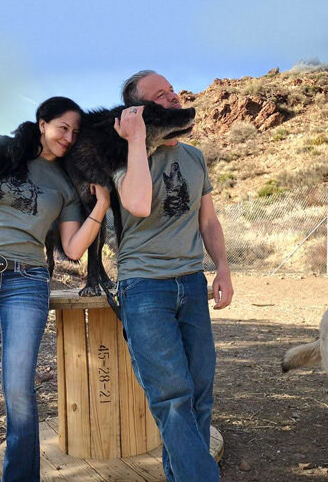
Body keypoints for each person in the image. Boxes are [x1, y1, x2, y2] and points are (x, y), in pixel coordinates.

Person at [0, 96, 113, 482]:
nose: (69, 137)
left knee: (19, 394)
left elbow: (73, 249)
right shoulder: (0, 148)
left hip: (25, 281)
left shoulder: (64, 182)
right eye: (63, 127)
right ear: (42, 123)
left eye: (75, 133)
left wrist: (101, 206)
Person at [113, 71, 234, 482]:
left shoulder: (195, 157)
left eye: (173, 91)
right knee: (172, 399)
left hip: (191, 283)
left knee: (199, 396)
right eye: (160, 97)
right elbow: (139, 203)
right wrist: (134, 140)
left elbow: (209, 221)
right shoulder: (119, 154)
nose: (173, 97)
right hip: (144, 286)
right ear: (139, 110)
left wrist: (222, 267)